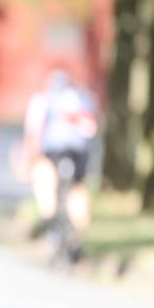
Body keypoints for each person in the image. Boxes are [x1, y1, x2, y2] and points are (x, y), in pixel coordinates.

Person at [22, 69, 98, 257]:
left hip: (54, 151)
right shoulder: (85, 98)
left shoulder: (44, 99)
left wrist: (30, 158)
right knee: (77, 189)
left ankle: (48, 218)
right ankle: (77, 237)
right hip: (80, 153)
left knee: (43, 175)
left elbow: (35, 130)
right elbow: (92, 130)